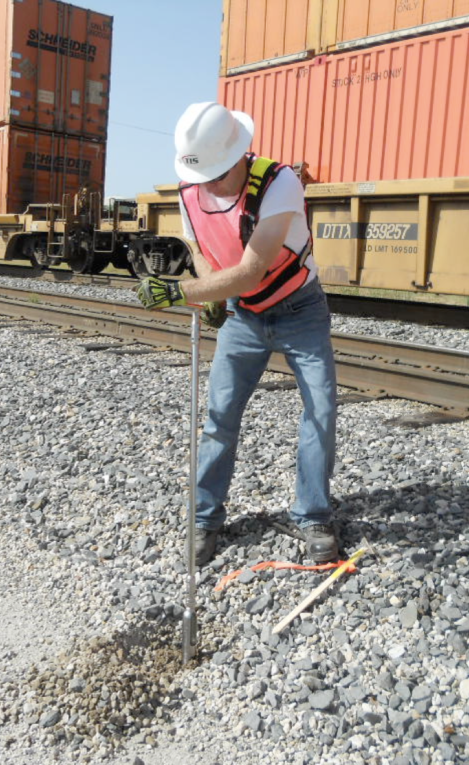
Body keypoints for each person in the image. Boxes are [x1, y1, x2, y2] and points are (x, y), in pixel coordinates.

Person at [136, 101, 338, 566]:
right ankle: (204, 519)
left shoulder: (278, 182)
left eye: (215, 174)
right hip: (243, 316)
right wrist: (211, 295)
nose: (206, 185)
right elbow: (204, 250)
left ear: (240, 158)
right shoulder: (190, 193)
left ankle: (313, 515)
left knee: (321, 412)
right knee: (219, 418)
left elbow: (251, 269)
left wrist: (182, 291)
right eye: (200, 175)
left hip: (299, 310)